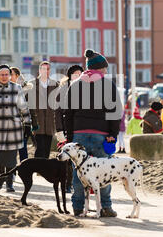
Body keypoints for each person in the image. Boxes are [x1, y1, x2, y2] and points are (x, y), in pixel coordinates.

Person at [64, 49, 123, 217]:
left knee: (79, 172)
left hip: (79, 134)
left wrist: (70, 136)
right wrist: (113, 133)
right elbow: (115, 111)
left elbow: (68, 113)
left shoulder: (75, 84)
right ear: (99, 68)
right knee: (104, 171)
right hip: (101, 134)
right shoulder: (108, 84)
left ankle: (77, 206)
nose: (106, 70)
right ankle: (105, 206)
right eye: (104, 68)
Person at [0, 64, 32, 192]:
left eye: (6, 74)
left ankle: (9, 182)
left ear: (10, 75)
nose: (4, 77)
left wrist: (28, 124)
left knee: (12, 157)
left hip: (14, 126)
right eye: (1, 74)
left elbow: (23, 107)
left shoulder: (17, 88)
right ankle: (0, 178)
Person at [55, 64, 83, 193]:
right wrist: (59, 130)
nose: (78, 76)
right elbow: (58, 112)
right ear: (70, 75)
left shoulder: (84, 88)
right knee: (66, 158)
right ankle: (66, 183)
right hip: (66, 128)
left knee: (78, 157)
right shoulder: (63, 90)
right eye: (75, 74)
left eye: (80, 73)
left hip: (79, 127)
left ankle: (76, 184)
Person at [28, 61, 59, 159]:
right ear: (39, 70)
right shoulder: (32, 85)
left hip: (50, 122)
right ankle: (37, 168)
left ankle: (44, 171)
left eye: (48, 69)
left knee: (47, 148)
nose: (46, 71)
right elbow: (28, 104)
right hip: (37, 121)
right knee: (39, 148)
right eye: (44, 69)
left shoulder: (55, 85)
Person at [11, 66, 34, 162]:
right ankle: (11, 173)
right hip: (10, 124)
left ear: (17, 76)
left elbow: (30, 108)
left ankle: (25, 169)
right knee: (11, 150)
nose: (9, 77)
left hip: (23, 124)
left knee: (22, 148)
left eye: (11, 74)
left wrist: (31, 124)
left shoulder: (26, 89)